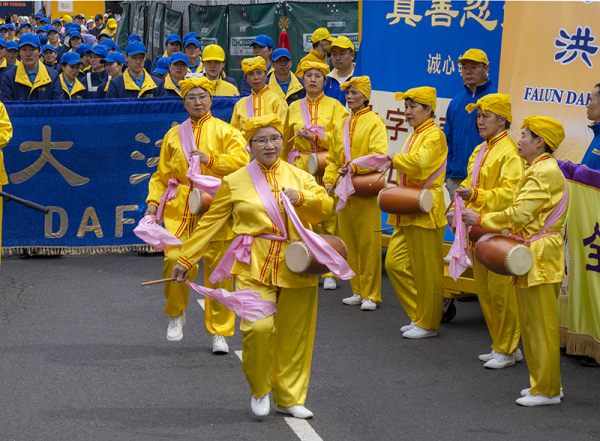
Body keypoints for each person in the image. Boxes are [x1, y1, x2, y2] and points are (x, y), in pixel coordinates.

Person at [171, 113, 333, 419]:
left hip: (297, 261)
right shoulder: (234, 181)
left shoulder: (299, 176)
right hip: (252, 263)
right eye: (261, 140)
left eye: (274, 139)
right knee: (257, 329)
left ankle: (289, 397)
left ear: (283, 142)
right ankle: (259, 388)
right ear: (250, 146)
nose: (269, 145)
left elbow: (325, 206)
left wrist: (301, 198)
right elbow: (208, 224)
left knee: (294, 335)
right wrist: (185, 259)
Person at [462, 116, 568, 406]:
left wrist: (481, 218)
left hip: (540, 255)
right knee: (532, 322)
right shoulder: (537, 168)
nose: (519, 140)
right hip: (534, 252)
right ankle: (544, 384)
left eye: (524, 135)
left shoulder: (542, 172)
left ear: (540, 142)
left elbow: (519, 214)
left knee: (540, 325)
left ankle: (546, 389)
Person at [145, 77, 249, 351]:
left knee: (219, 272)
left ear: (211, 99)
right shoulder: (173, 135)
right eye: (192, 97)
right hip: (180, 209)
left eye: (203, 96)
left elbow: (243, 162)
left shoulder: (226, 132)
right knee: (173, 260)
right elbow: (161, 175)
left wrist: (210, 160)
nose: (198, 101)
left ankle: (221, 332)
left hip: (216, 207)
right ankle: (176, 313)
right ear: (184, 102)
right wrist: (153, 204)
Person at [448, 94, 524, 364]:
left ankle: (507, 347)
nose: (479, 121)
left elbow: (511, 193)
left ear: (502, 120)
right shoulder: (481, 149)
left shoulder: (510, 152)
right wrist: (455, 209)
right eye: (478, 116)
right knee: (486, 291)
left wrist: (476, 195)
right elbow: (468, 183)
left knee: (501, 293)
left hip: (498, 231)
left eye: (485, 116)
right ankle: (502, 345)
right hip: (478, 230)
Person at [385, 87, 447, 336]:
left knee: (427, 270)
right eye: (406, 107)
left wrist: (396, 158)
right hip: (410, 205)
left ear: (429, 109)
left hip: (426, 208)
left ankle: (428, 323)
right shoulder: (416, 134)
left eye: (413, 107)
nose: (407, 112)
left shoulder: (434, 135)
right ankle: (420, 314)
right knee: (394, 263)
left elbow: (420, 166)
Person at [324, 76, 387, 310]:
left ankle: (372, 294)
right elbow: (332, 159)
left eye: (354, 93)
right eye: (347, 93)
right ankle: (358, 290)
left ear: (365, 97)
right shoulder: (341, 124)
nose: (349, 96)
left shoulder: (374, 122)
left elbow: (379, 155)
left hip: (364, 189)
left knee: (369, 243)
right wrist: (330, 180)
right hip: (344, 190)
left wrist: (355, 168)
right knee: (348, 241)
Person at [285, 60, 348, 290]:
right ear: (302, 79)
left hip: (325, 164)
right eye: (309, 75)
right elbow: (284, 140)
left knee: (328, 214)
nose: (312, 80)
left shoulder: (335, 107)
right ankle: (303, 261)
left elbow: (341, 139)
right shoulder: (292, 107)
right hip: (299, 164)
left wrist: (316, 137)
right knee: (302, 213)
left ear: (325, 81)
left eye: (318, 76)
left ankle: (329, 269)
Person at [444, 49, 498, 200]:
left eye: (474, 67)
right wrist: (448, 175)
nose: (468, 71)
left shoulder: (496, 97)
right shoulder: (456, 101)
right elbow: (446, 140)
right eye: (465, 67)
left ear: (486, 69)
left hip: (486, 180)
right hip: (457, 178)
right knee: (456, 222)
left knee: (480, 223)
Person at [230, 56, 288, 133]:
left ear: (266, 74)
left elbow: (284, 130)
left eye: (259, 73)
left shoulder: (278, 101)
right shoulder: (240, 105)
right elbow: (233, 134)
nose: (256, 77)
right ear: (246, 78)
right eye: (251, 74)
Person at [1, 33, 62, 100]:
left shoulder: (53, 76)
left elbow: (57, 107)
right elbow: (7, 107)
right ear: (19, 52)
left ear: (39, 51)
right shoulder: (9, 77)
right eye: (24, 49)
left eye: (33, 49)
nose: (28, 54)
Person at [324, 36, 355, 106]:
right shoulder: (326, 81)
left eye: (342, 54)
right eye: (334, 54)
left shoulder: (361, 78)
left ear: (352, 55)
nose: (337, 58)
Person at [580, 83, 600, 169]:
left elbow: (590, 172)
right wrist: (573, 167)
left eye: (591, 100)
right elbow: (588, 168)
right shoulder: (597, 134)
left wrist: (591, 174)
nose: (587, 105)